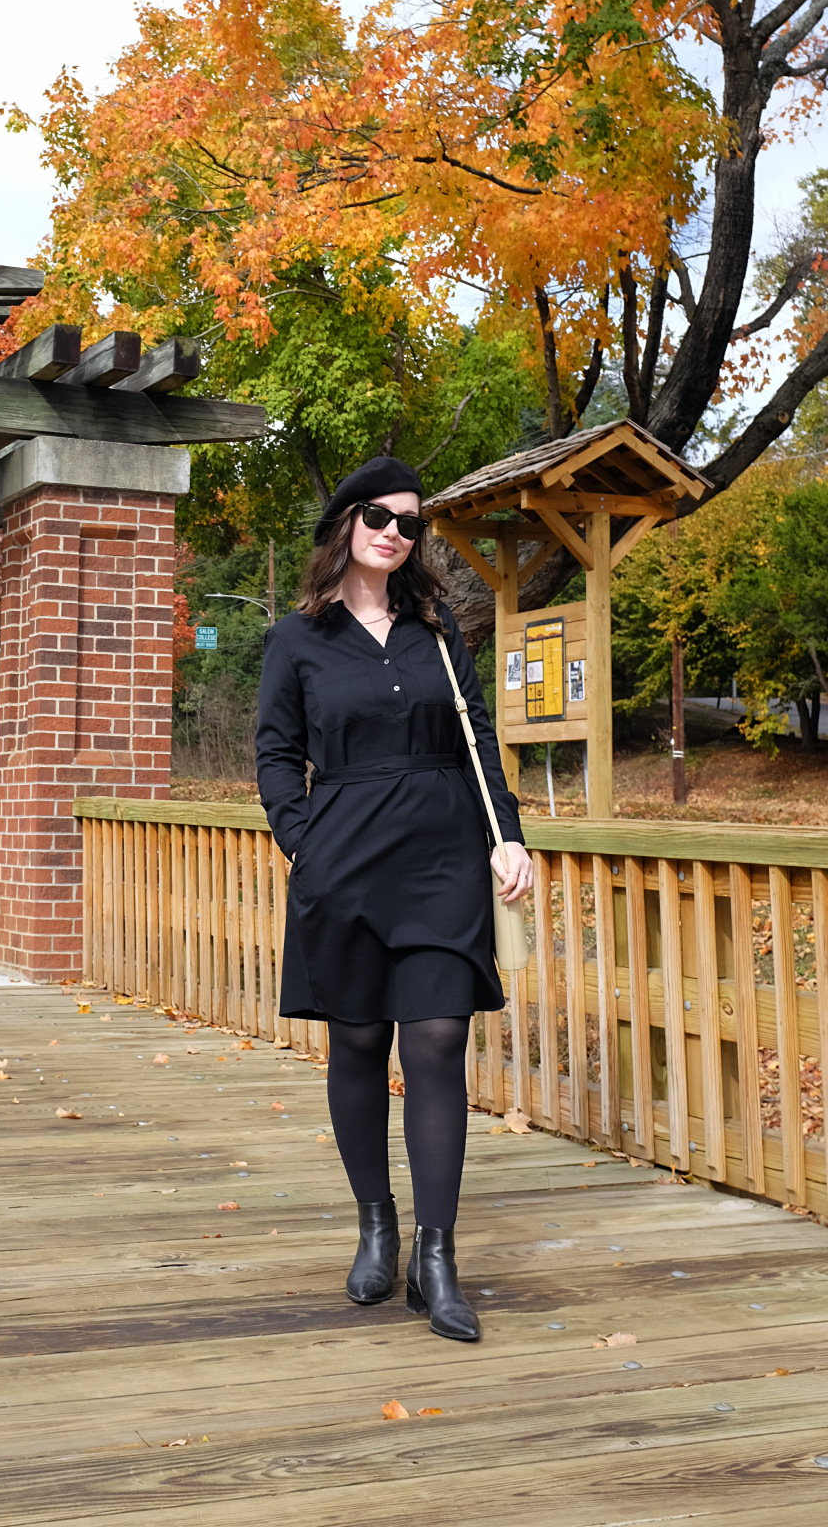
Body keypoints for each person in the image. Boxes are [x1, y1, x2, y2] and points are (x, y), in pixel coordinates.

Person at [256, 457, 532, 1343]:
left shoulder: (437, 627)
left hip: (443, 855)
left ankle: (437, 1258)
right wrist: (302, 840)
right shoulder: (297, 638)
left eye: (411, 523)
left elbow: (477, 735)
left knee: (440, 1037)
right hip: (343, 862)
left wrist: (509, 834)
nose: (395, 532)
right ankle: (376, 1226)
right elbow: (273, 754)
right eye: (380, 514)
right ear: (345, 520)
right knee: (361, 1041)